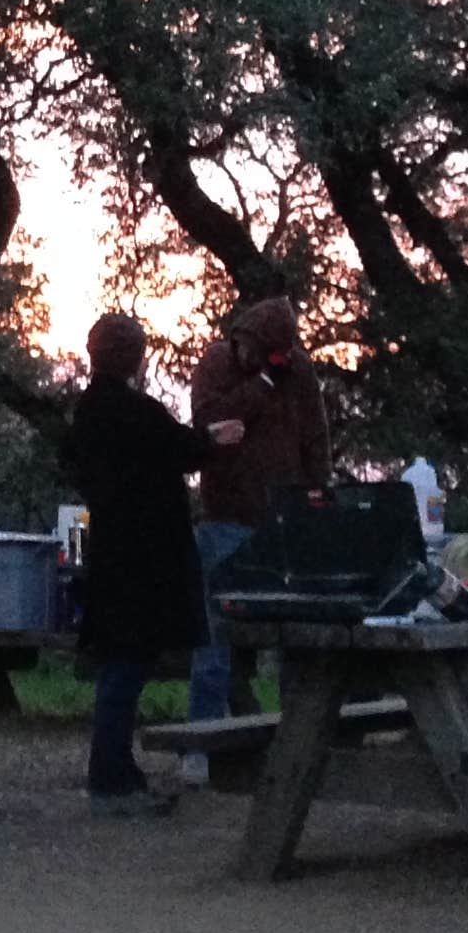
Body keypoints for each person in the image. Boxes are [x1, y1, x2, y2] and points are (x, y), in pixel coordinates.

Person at [64, 312, 243, 816]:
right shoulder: (134, 411)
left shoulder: (88, 413)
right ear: (132, 357)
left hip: (111, 554)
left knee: (121, 666)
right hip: (142, 560)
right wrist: (214, 438)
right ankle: (111, 780)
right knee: (126, 667)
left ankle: (116, 770)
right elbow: (180, 449)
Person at [186, 296, 332, 719]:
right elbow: (209, 423)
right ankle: (203, 740)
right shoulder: (217, 364)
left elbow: (316, 437)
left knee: (296, 636)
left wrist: (318, 496)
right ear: (245, 341)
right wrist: (263, 383)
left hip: (285, 520)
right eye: (265, 354)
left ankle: (297, 734)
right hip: (227, 518)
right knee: (214, 639)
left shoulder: (298, 372)